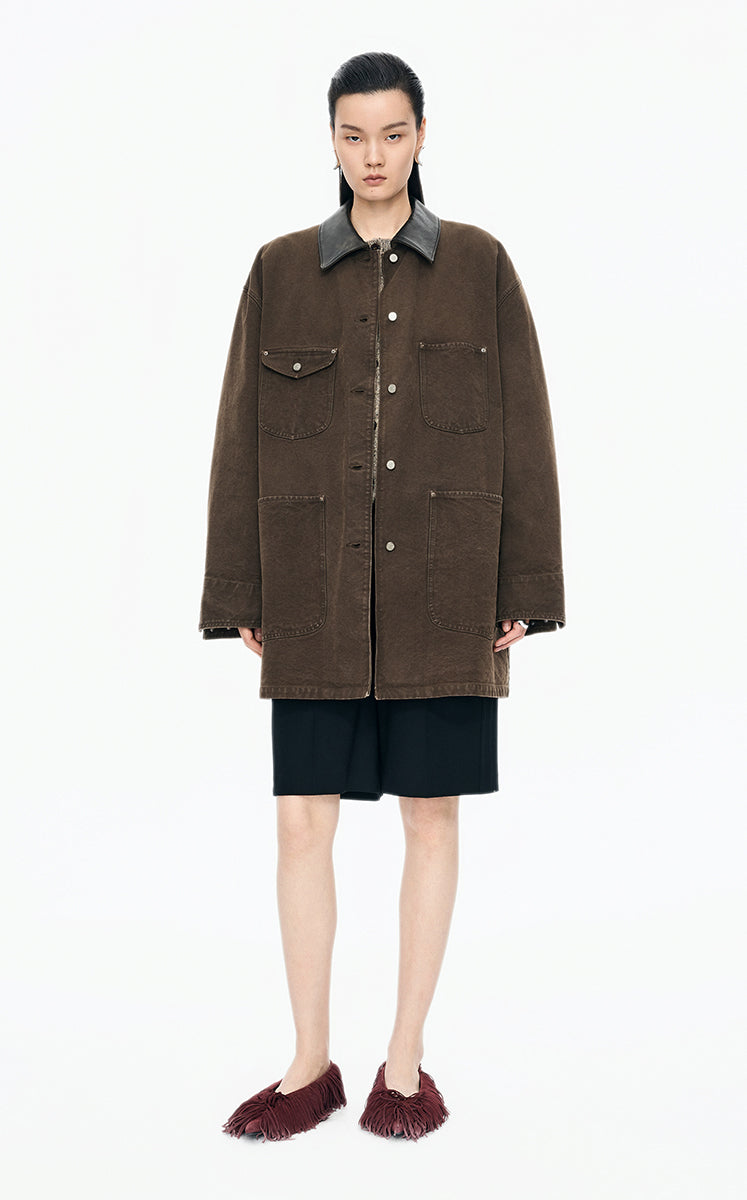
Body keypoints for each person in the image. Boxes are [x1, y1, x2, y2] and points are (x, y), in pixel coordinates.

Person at [199, 51, 565, 1142]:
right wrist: (238, 586)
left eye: (392, 134)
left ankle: (404, 1064)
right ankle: (310, 1063)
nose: (373, 156)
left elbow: (526, 427)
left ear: (421, 136)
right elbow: (238, 435)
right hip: (312, 588)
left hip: (446, 587)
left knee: (432, 817)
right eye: (354, 135)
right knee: (298, 823)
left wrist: (526, 584)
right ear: (331, 139)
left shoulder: (480, 265)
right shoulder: (278, 271)